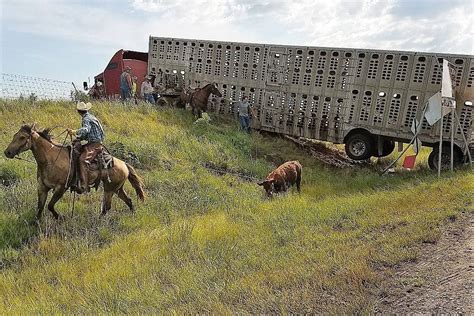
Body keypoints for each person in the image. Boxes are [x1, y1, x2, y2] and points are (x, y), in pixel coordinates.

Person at [67, 102, 105, 193]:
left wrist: (74, 131)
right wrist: (79, 138)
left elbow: (86, 129)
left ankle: (84, 185)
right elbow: (88, 133)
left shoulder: (86, 119)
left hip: (95, 144)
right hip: (94, 142)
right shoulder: (91, 117)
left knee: (82, 160)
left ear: (78, 112)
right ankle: (76, 180)